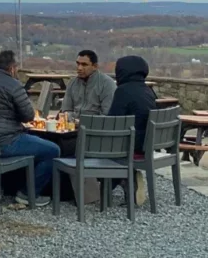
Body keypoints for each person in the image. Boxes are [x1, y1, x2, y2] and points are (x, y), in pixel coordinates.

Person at [0, 50, 60, 207]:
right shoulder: (14, 85)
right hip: (5, 143)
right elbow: (28, 116)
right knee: (52, 150)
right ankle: (27, 194)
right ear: (12, 68)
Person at [108, 55, 157, 206]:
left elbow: (112, 122)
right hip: (146, 145)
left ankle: (108, 185)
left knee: (88, 146)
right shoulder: (148, 91)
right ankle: (127, 178)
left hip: (130, 147)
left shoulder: (122, 91)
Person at [60, 50, 116, 117]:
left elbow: (107, 114)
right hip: (73, 125)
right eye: (78, 64)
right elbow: (66, 109)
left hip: (95, 126)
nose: (79, 68)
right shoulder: (72, 83)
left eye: (84, 65)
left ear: (95, 66)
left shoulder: (107, 84)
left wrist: (84, 122)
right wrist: (71, 119)